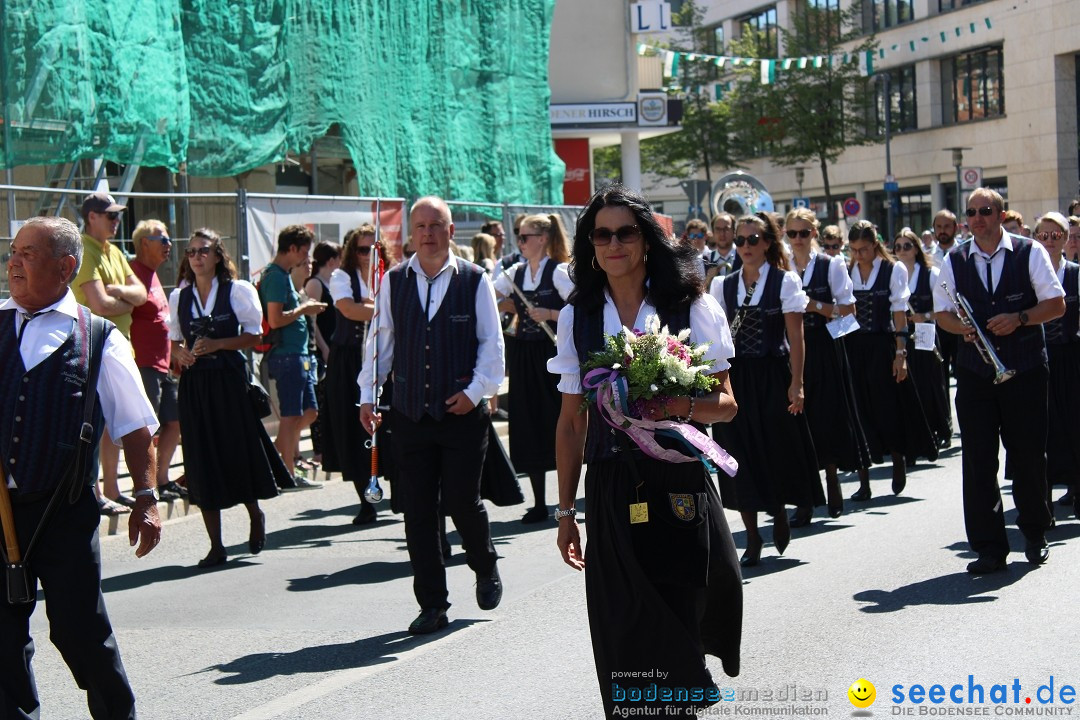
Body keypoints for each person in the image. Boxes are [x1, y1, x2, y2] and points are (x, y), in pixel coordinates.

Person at [550, 184, 741, 719]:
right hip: (612, 483)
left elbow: (725, 404)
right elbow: (571, 423)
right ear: (590, 246)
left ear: (647, 240)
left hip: (679, 482)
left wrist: (674, 404)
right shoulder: (578, 318)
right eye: (601, 234)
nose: (614, 244)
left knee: (676, 614)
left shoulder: (692, 305)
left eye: (625, 232)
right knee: (622, 625)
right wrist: (566, 513)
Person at [1, 216, 161, 720]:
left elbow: (135, 426)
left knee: (80, 632)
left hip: (65, 513)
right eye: (13, 252)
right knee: (2, 639)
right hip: (0, 510)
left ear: (66, 266)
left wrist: (146, 497)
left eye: (28, 253)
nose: (14, 261)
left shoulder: (98, 337)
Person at [359, 197, 505, 635]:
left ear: (449, 230)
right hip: (409, 414)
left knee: (462, 501)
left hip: (462, 413)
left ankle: (484, 564)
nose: (427, 233)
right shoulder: (394, 281)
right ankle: (433, 604)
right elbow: (380, 343)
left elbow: (492, 345)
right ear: (410, 232)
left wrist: (475, 391)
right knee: (418, 512)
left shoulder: (474, 279)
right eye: (419, 225)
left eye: (435, 225)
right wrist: (368, 395)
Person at [933, 187, 1064, 573]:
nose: (977, 218)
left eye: (985, 211)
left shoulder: (1029, 251)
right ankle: (990, 547)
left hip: (1024, 368)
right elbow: (942, 313)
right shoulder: (955, 259)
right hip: (976, 373)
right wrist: (964, 329)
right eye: (971, 212)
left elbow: (1055, 305)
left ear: (1000, 214)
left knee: (1027, 456)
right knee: (977, 461)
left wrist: (1019, 318)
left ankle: (1036, 532)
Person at [169, 229, 287, 567]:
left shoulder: (237, 291)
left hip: (228, 381)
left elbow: (255, 334)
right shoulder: (181, 296)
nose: (196, 257)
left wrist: (219, 344)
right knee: (199, 457)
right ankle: (216, 545)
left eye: (203, 251)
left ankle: (254, 514)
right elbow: (174, 342)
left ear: (217, 255)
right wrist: (182, 354)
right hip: (195, 384)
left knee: (235, 450)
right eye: (191, 252)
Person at [710, 212, 823, 564]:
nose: (745, 246)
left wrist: (797, 383)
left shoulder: (785, 281)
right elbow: (715, 341)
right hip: (736, 377)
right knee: (738, 452)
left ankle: (777, 511)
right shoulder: (722, 285)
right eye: (740, 240)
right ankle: (753, 536)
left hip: (773, 375)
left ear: (768, 243)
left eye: (752, 240)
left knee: (774, 447)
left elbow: (796, 336)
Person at [784, 208, 868, 524]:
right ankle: (805, 497)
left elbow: (849, 310)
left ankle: (832, 479)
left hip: (824, 347)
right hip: (790, 348)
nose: (798, 240)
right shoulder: (782, 266)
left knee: (827, 416)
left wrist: (815, 306)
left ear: (814, 234)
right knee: (796, 420)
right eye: (792, 233)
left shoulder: (830, 265)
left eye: (803, 233)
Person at [846, 221, 938, 501]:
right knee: (858, 410)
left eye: (863, 249)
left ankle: (898, 458)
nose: (858, 255)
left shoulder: (892, 269)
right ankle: (863, 479)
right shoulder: (847, 270)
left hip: (882, 344)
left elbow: (899, 313)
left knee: (887, 406)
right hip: (853, 345)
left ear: (875, 245)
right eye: (853, 250)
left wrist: (901, 353)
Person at [72, 191, 149, 515]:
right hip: (93, 349)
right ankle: (95, 491)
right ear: (92, 217)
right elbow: (99, 305)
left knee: (115, 424)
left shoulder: (114, 251)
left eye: (118, 216)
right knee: (95, 423)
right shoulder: (83, 250)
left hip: (119, 347)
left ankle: (113, 490)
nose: (117, 222)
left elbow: (141, 294)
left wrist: (118, 291)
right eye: (110, 216)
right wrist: (124, 299)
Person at [494, 214, 573, 523]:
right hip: (524, 354)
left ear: (542, 239)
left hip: (552, 353)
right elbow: (489, 296)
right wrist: (506, 305)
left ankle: (567, 498)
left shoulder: (560, 272)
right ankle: (539, 502)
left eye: (525, 237)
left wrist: (550, 312)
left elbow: (582, 306)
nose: (520, 243)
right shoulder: (514, 272)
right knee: (527, 423)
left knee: (559, 422)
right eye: (518, 237)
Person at [259, 225, 327, 488]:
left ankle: (280, 453)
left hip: (297, 355)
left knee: (309, 412)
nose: (306, 258)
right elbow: (275, 319)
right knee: (290, 415)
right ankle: (286, 472)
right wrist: (305, 308)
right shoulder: (275, 276)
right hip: (286, 355)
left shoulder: (282, 274)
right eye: (304, 252)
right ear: (293, 249)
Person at [324, 226, 382, 525]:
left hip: (382, 356)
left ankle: (400, 493)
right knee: (353, 427)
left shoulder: (389, 274)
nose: (368, 256)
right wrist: (382, 309)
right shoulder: (341, 276)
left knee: (389, 425)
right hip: (349, 359)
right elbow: (348, 310)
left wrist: (373, 307)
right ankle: (366, 500)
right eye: (362, 250)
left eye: (374, 249)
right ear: (351, 251)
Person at [129, 220, 186, 501]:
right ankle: (146, 485)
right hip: (143, 363)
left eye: (168, 240)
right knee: (148, 427)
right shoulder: (132, 273)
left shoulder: (153, 275)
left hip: (164, 364)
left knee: (174, 422)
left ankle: (162, 480)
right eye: (162, 240)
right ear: (144, 243)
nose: (168, 245)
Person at [1029, 212, 1080, 519]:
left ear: (1065, 239)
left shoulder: (1075, 272)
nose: (1049, 241)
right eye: (1043, 236)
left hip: (1071, 357)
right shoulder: (1029, 275)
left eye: (1055, 235)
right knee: (1040, 430)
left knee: (1074, 424)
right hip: (1038, 357)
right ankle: (1042, 499)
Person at [893, 228, 953, 449]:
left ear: (916, 248)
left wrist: (924, 316)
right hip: (903, 335)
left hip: (925, 332)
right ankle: (915, 433)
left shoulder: (931, 274)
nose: (902, 251)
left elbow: (947, 308)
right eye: (897, 247)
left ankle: (939, 428)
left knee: (930, 382)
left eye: (907, 246)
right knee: (910, 383)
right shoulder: (894, 274)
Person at [303, 241, 342, 470]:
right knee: (320, 400)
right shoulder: (315, 284)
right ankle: (319, 450)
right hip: (322, 351)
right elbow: (312, 321)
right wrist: (324, 348)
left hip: (335, 348)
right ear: (331, 260)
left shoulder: (332, 282)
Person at [708, 211, 741, 284]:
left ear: (734, 232)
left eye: (726, 229)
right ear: (713, 233)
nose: (722, 233)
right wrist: (708, 279)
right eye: (718, 229)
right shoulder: (705, 260)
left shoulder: (744, 257)